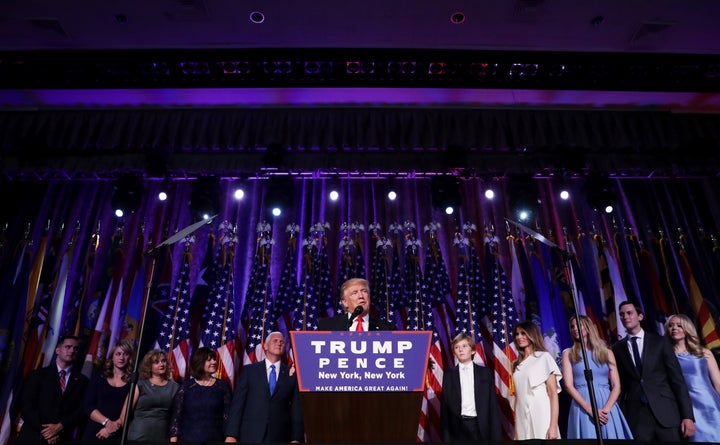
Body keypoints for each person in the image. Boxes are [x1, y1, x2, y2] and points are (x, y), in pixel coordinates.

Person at [611, 301, 695, 441]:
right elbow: (620, 385)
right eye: (622, 314)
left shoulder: (660, 342)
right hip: (637, 417)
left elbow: (677, 381)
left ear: (640, 317)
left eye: (629, 313)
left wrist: (688, 416)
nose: (625, 317)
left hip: (666, 413)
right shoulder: (617, 348)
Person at [561, 315, 633, 439]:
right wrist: (590, 409)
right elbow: (568, 385)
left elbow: (616, 386)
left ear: (588, 327)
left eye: (579, 325)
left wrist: (606, 409)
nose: (575, 329)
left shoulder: (607, 352)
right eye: (572, 326)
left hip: (607, 404)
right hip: (583, 405)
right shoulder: (568, 353)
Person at [225, 332, 304, 443]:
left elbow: (297, 409)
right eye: (275, 340)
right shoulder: (250, 371)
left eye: (282, 342)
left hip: (280, 436)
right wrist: (231, 434)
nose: (279, 343)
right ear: (265, 346)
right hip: (250, 435)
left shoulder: (291, 374)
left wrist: (297, 438)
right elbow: (238, 405)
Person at [16, 335, 89, 445]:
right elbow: (26, 406)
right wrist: (47, 432)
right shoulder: (38, 375)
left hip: (62, 438)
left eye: (75, 348)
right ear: (57, 350)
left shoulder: (83, 381)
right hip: (33, 437)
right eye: (68, 347)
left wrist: (60, 426)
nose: (72, 351)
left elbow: (81, 410)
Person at [665, 313, 720, 442]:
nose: (674, 328)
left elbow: (718, 382)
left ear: (687, 329)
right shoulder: (665, 357)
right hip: (685, 408)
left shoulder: (704, 353)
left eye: (679, 325)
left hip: (710, 405)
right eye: (671, 326)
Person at [440, 333, 502, 441]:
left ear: (473, 350)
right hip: (458, 428)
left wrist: (496, 437)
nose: (460, 350)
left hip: (480, 426)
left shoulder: (485, 373)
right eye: (457, 347)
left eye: (464, 346)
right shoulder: (448, 374)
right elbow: (445, 408)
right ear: (454, 352)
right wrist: (446, 437)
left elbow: (492, 405)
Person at [511, 320, 562, 440]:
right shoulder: (516, 364)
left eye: (523, 333)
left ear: (531, 334)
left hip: (541, 413)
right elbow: (517, 398)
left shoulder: (544, 357)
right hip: (522, 416)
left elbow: (553, 394)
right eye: (517, 334)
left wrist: (553, 426)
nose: (519, 337)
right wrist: (516, 428)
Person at [170, 346, 231, 442]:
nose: (214, 362)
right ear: (199, 362)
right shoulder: (186, 387)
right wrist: (173, 438)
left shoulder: (222, 386)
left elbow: (227, 414)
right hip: (188, 439)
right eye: (209, 360)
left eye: (214, 359)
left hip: (215, 439)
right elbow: (177, 416)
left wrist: (229, 436)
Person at [121, 349, 180, 441]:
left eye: (163, 361)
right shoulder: (140, 385)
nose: (161, 364)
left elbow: (176, 416)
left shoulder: (175, 387)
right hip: (138, 438)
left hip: (161, 438)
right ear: (149, 366)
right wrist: (129, 436)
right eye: (156, 362)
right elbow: (124, 416)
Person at [81, 340, 134, 441]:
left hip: (118, 434)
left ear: (129, 358)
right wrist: (107, 423)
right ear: (112, 357)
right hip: (95, 432)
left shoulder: (133, 383)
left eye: (125, 354)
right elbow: (88, 406)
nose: (121, 358)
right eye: (118, 354)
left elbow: (129, 413)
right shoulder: (98, 378)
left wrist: (112, 428)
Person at [317, 278, 396, 331]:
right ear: (345, 302)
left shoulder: (387, 328)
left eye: (364, 291)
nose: (361, 296)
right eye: (354, 293)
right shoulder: (327, 326)